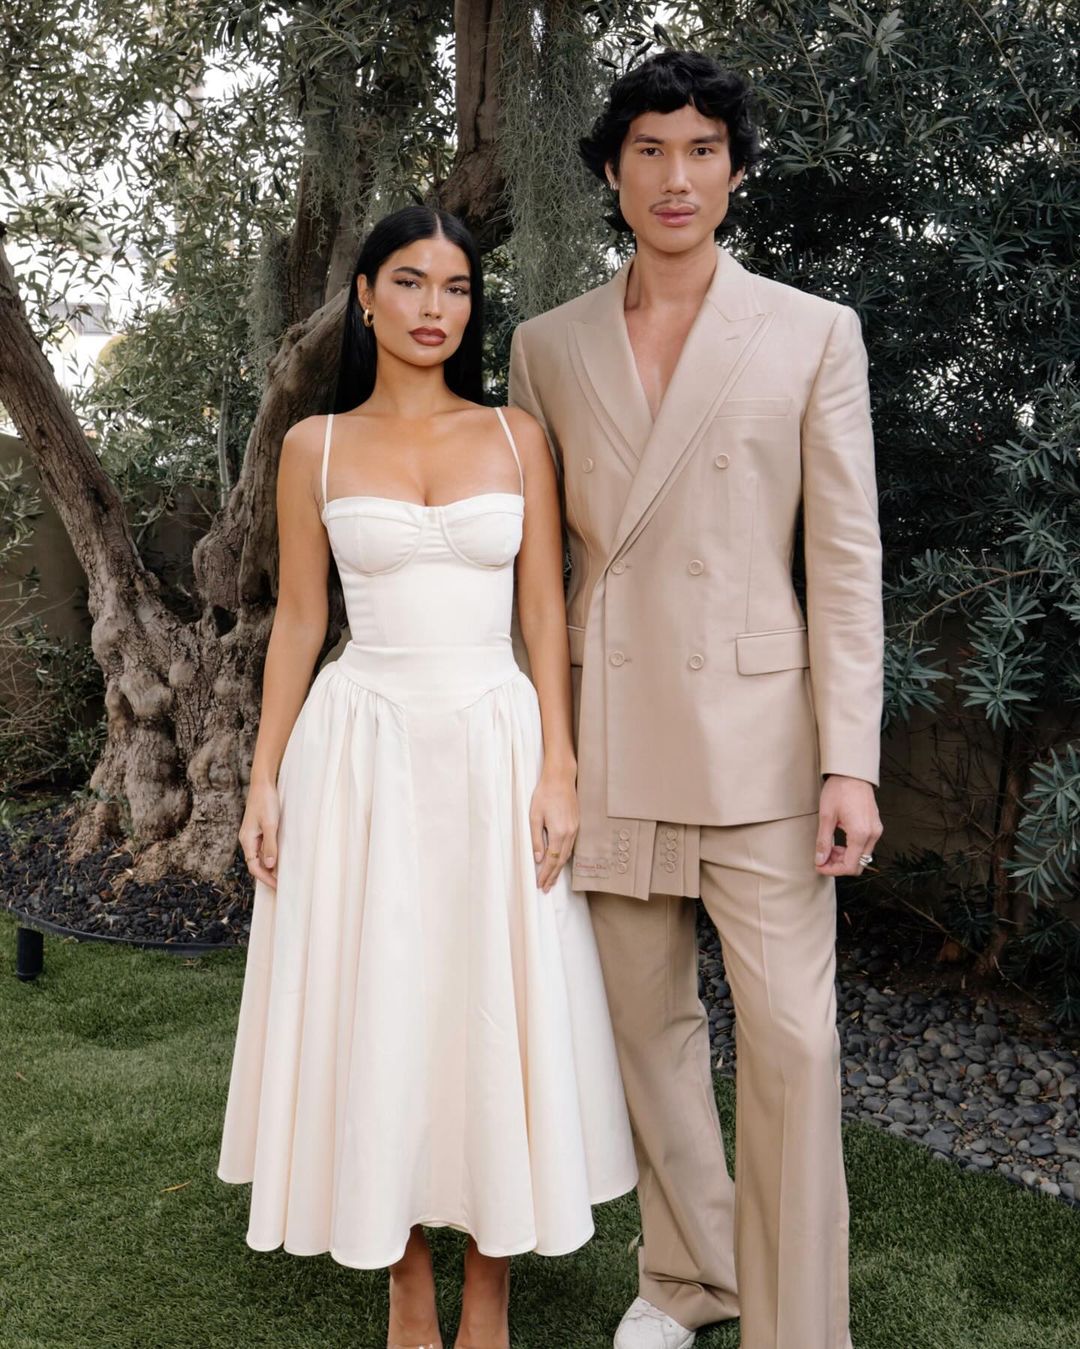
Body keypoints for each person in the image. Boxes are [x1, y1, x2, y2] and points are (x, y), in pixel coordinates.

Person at [508, 50, 884, 1349]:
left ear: (734, 170)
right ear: (612, 173)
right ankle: (685, 1276)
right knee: (648, 1036)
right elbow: (537, 577)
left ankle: (798, 1324)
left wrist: (851, 760)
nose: (678, 176)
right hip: (609, 734)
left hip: (763, 749)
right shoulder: (546, 346)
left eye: (703, 150)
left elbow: (844, 561)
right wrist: (544, 751)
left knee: (794, 1044)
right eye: (651, 151)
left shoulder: (812, 332)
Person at [216, 204, 637, 1349]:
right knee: (382, 993)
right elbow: (299, 620)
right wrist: (263, 777)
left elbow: (544, 613)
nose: (433, 307)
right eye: (409, 281)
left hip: (496, 739)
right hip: (360, 747)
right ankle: (406, 1277)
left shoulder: (517, 436)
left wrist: (561, 762)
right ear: (365, 295)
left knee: (495, 991)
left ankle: (490, 1281)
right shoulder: (314, 446)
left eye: (455, 287)